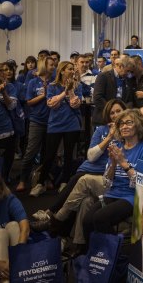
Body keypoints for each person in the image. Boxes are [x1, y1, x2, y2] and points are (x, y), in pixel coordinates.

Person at [83, 109, 143, 245]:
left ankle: (114, 256)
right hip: (113, 193)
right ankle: (94, 257)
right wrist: (112, 164)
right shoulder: (117, 146)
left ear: (138, 125)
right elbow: (106, 183)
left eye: (129, 122)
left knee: (100, 218)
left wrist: (124, 163)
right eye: (121, 124)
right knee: (87, 219)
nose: (124, 126)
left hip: (133, 197)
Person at [31, 61, 82, 197]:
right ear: (62, 71)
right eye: (69, 69)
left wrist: (71, 90)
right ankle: (40, 183)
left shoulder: (78, 86)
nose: (72, 71)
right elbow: (52, 104)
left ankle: (64, 182)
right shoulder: (53, 86)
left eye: (73, 69)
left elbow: (75, 105)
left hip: (72, 124)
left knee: (68, 155)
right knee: (49, 155)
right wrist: (64, 92)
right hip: (55, 125)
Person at [17, 56, 56, 191]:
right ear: (44, 66)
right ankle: (23, 179)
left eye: (54, 65)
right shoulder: (33, 82)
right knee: (31, 152)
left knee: (48, 153)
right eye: (51, 65)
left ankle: (45, 178)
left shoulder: (55, 81)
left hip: (52, 122)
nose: (53, 67)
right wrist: (43, 95)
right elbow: (28, 102)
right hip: (37, 121)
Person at [0, 170, 29, 282]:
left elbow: (25, 227)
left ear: (1, 186)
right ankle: (10, 278)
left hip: (11, 255)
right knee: (0, 233)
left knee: (13, 225)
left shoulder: (9, 199)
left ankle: (14, 273)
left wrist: (17, 255)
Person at [0, 63, 17, 181]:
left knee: (6, 164)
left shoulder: (10, 87)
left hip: (7, 130)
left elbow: (12, 106)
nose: (2, 73)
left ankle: (4, 184)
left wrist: (4, 92)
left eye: (3, 70)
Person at [92, 56, 135, 125]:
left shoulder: (128, 80)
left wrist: (122, 113)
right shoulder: (103, 76)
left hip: (121, 120)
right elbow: (97, 98)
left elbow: (129, 100)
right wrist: (113, 111)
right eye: (127, 71)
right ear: (120, 66)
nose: (129, 73)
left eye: (130, 71)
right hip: (103, 119)